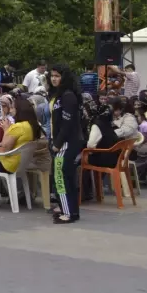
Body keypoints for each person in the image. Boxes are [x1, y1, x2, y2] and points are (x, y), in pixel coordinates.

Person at [49, 64, 85, 223]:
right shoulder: (59, 94)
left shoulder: (68, 96)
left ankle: (68, 213)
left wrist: (57, 143)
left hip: (67, 142)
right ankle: (70, 210)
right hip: (63, 141)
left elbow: (67, 123)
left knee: (60, 177)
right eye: (52, 76)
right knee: (66, 177)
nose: (54, 79)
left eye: (57, 76)